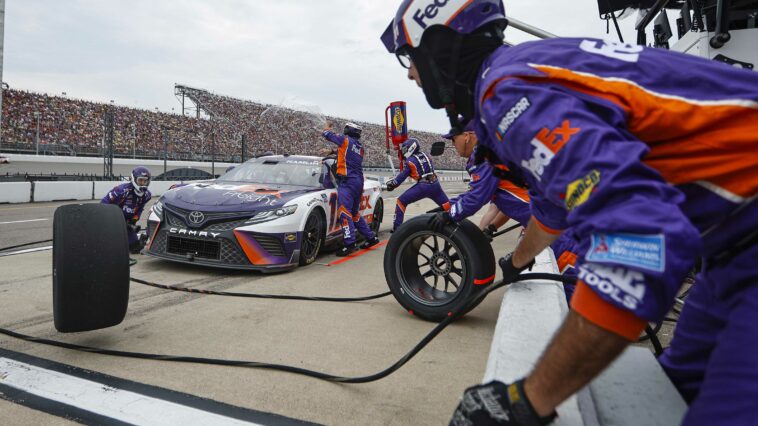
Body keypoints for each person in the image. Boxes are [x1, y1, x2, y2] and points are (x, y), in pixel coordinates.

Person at [381, 1, 758, 425]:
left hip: (746, 238)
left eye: (411, 60)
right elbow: (552, 206)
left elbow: (640, 240)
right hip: (733, 249)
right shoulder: (523, 74)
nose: (412, 74)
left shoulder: (506, 92)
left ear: (439, 48)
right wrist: (517, 262)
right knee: (671, 387)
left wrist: (526, 400)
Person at [430, 119, 578, 298]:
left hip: (560, 230)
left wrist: (450, 215)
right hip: (556, 221)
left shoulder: (483, 154)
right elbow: (506, 201)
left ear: (467, 136)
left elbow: (476, 198)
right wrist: (491, 227)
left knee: (576, 293)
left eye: (453, 139)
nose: (453, 145)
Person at [321, 121, 380, 256]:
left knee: (344, 211)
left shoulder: (345, 140)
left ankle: (350, 244)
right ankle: (371, 238)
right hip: (358, 181)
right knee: (354, 213)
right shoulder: (360, 147)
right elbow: (346, 153)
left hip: (347, 181)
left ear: (349, 130)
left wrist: (326, 128)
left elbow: (327, 135)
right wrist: (331, 151)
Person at [385, 137, 450, 232]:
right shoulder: (426, 155)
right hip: (435, 184)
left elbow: (402, 176)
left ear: (411, 148)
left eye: (405, 149)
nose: (403, 152)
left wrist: (392, 184)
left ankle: (397, 229)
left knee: (401, 201)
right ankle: (450, 221)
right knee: (448, 206)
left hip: (423, 186)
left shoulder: (410, 161)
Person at [101, 166, 152, 254]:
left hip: (127, 223)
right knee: (112, 248)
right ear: (133, 179)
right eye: (140, 180)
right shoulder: (121, 190)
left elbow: (140, 209)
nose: (143, 183)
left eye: (145, 180)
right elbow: (103, 204)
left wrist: (134, 220)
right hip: (111, 220)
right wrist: (109, 219)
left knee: (136, 248)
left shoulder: (147, 195)